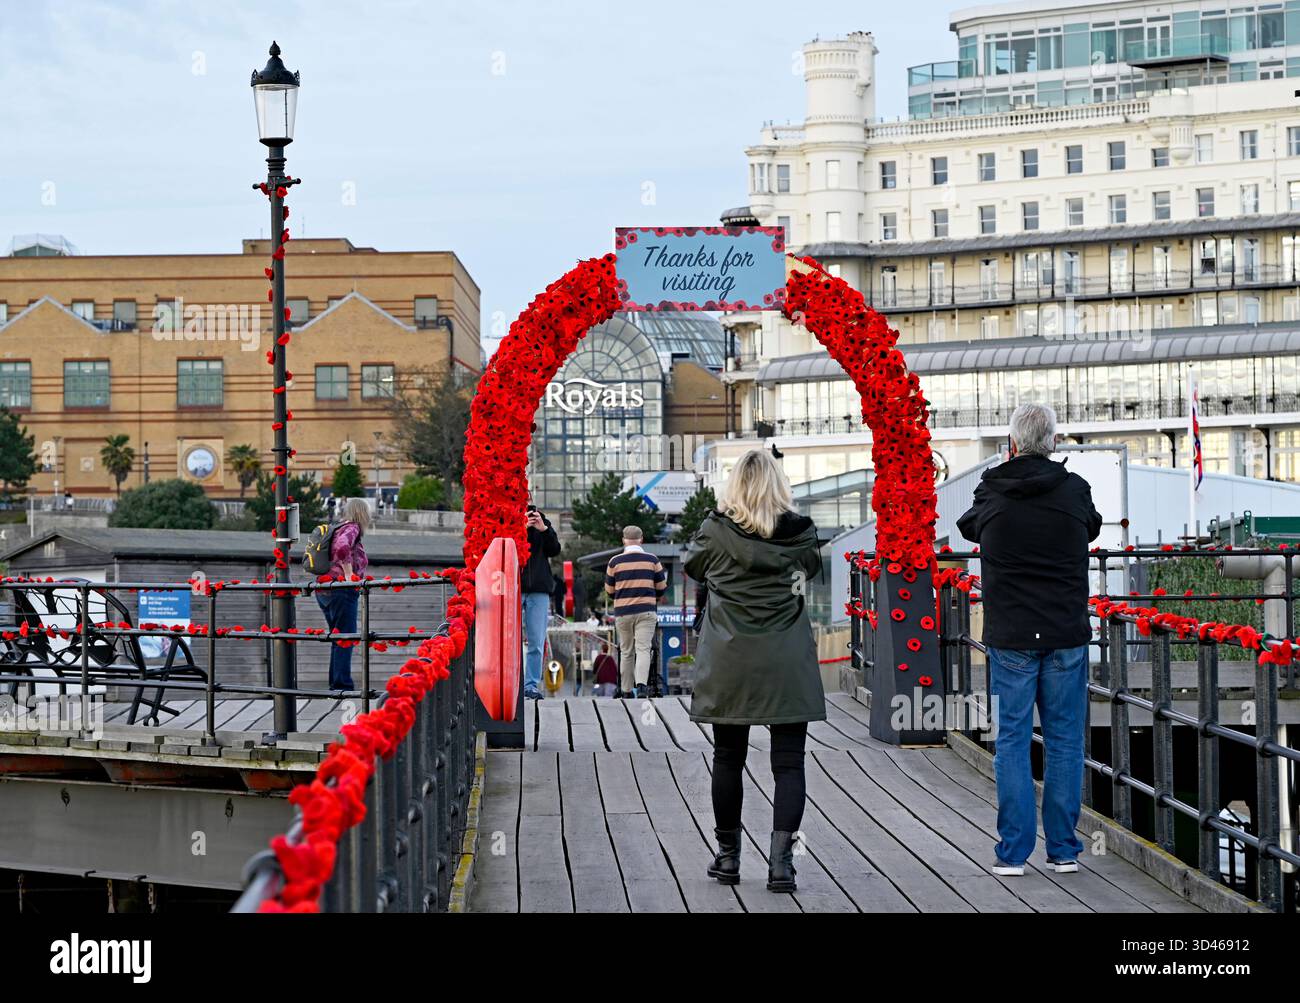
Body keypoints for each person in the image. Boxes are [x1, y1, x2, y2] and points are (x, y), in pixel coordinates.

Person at [957, 402, 1103, 878]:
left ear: (1013, 444)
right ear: (1054, 442)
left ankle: (1013, 853)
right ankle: (1062, 849)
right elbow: (1093, 526)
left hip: (1012, 635)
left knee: (1013, 742)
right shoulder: (1075, 490)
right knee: (1063, 741)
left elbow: (967, 526)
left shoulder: (993, 491)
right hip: (1065, 633)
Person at [686, 449, 824, 893]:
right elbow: (811, 571)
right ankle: (781, 865)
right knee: (789, 763)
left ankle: (728, 858)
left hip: (731, 660)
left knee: (728, 758)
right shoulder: (801, 536)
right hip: (786, 660)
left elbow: (692, 566)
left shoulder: (714, 532)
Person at [316, 496, 371, 691]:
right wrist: (349, 574)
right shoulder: (352, 527)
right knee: (346, 637)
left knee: (339, 637)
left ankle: (336, 683)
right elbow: (342, 548)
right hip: (341, 590)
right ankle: (342, 685)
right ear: (362, 513)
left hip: (325, 589)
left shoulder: (338, 526)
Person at [604, 525, 666, 699]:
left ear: (624, 540)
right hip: (646, 611)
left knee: (626, 651)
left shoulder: (614, 562)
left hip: (623, 612)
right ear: (641, 539)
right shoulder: (652, 560)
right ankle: (642, 686)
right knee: (643, 649)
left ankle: (626, 689)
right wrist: (652, 595)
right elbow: (661, 587)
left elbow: (609, 590)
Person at [522, 503, 560, 701]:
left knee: (536, 641)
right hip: (514, 587)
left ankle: (531, 686)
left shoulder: (541, 521)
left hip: (539, 589)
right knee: (508, 641)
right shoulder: (508, 520)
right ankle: (513, 685)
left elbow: (555, 550)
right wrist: (521, 528)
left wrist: (543, 529)